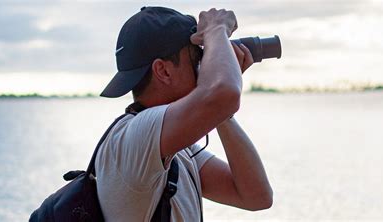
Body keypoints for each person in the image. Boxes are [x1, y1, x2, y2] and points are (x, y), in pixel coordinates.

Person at [97, 6, 273, 221]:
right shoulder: (134, 138)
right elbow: (223, 94)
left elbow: (256, 197)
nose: (202, 64)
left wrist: (219, 110)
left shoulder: (174, 150)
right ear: (164, 71)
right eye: (196, 56)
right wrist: (216, 29)